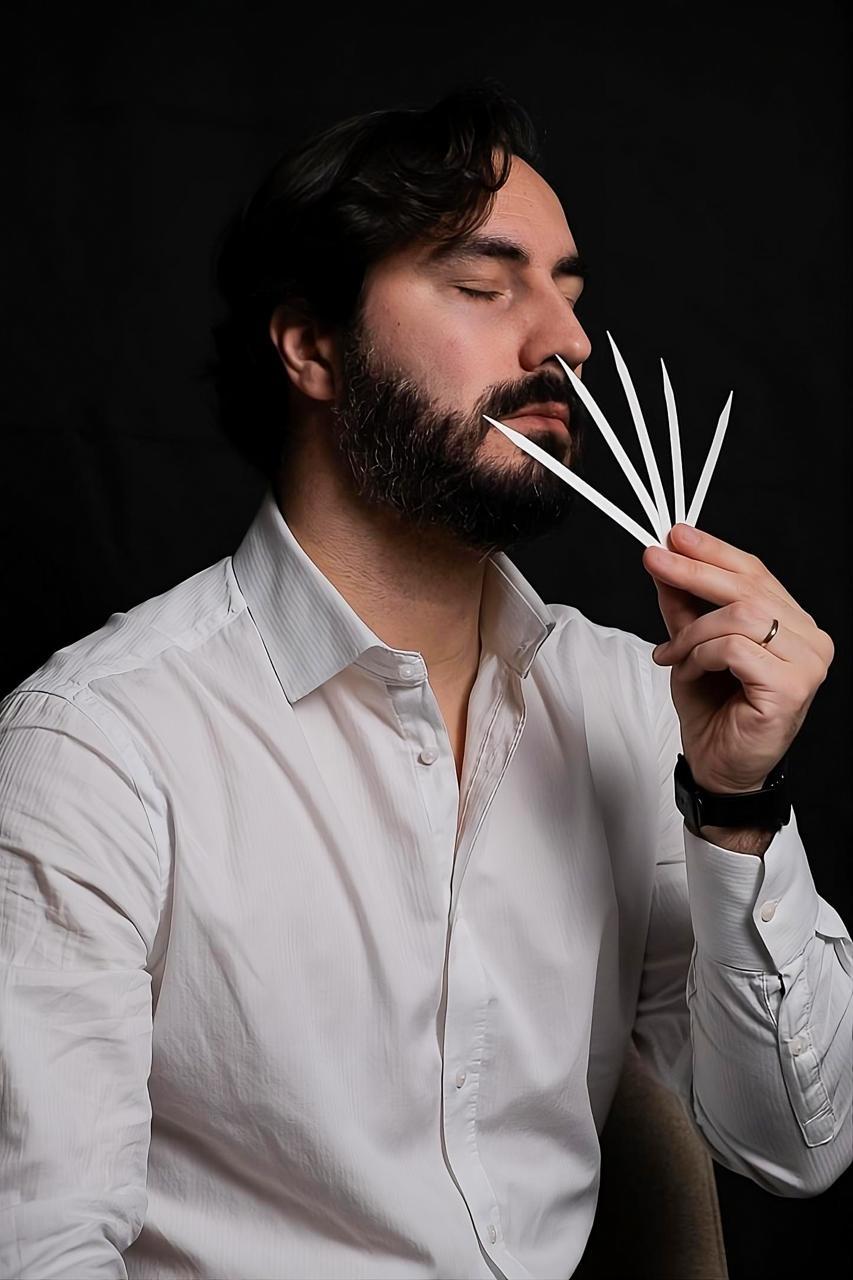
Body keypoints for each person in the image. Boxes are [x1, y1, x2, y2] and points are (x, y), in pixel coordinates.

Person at [1, 80, 850, 1280]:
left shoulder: (634, 701)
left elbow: (795, 1149)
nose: (565, 342)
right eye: (484, 285)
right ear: (312, 347)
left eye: (567, 291)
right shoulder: (98, 744)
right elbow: (39, 1246)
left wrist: (735, 804)